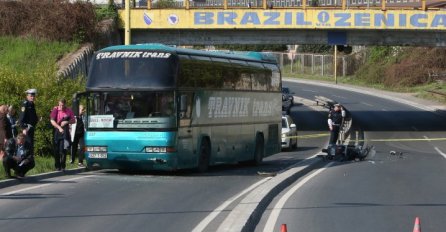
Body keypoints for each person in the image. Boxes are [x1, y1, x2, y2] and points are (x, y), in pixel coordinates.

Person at [50, 99, 75, 171]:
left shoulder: (68, 110)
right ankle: (57, 166)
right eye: (59, 105)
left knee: (63, 149)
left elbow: (74, 120)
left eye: (62, 105)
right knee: (56, 149)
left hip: (65, 132)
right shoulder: (56, 110)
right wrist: (59, 127)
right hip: (57, 131)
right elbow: (52, 121)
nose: (61, 106)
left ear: (65, 104)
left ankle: (63, 166)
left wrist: (67, 122)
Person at [18, 89, 39, 155]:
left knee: (30, 145)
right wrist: (24, 128)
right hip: (26, 128)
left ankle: (30, 160)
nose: (32, 97)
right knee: (27, 145)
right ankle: (25, 161)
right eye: (31, 96)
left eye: (33, 96)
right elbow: (21, 117)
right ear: (27, 96)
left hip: (31, 127)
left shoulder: (32, 104)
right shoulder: (25, 104)